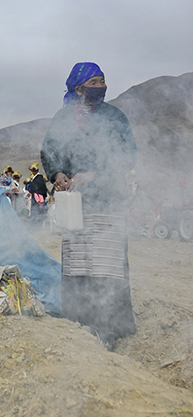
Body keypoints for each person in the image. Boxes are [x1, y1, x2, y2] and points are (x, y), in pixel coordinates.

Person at [41, 62, 137, 349]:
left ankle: (110, 327)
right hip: (75, 204)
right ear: (79, 88)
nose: (101, 87)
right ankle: (79, 320)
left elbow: (128, 154)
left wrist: (94, 174)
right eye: (94, 82)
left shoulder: (114, 116)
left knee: (106, 264)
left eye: (103, 81)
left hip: (107, 200)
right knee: (78, 261)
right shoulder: (62, 118)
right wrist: (58, 174)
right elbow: (49, 151)